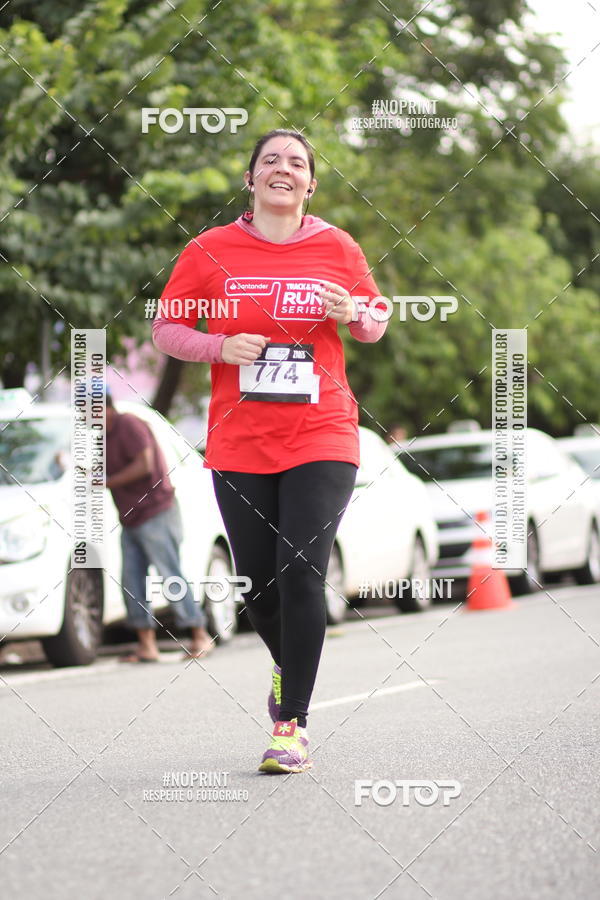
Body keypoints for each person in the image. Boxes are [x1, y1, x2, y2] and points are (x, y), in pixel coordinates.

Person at [152, 129, 387, 773]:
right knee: (257, 584)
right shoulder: (210, 250)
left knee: (300, 569)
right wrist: (217, 347)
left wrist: (353, 311)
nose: (283, 169)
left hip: (323, 433)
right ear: (251, 177)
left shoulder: (336, 245)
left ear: (311, 183)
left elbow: (374, 322)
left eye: (297, 163)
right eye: (270, 160)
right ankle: (289, 671)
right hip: (240, 441)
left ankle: (292, 725)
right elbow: (167, 326)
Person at [105, 392, 213, 662]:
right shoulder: (102, 437)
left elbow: (145, 464)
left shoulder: (128, 425)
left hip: (156, 511)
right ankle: (147, 645)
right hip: (130, 517)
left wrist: (109, 481)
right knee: (132, 580)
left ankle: (199, 635)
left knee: (170, 575)